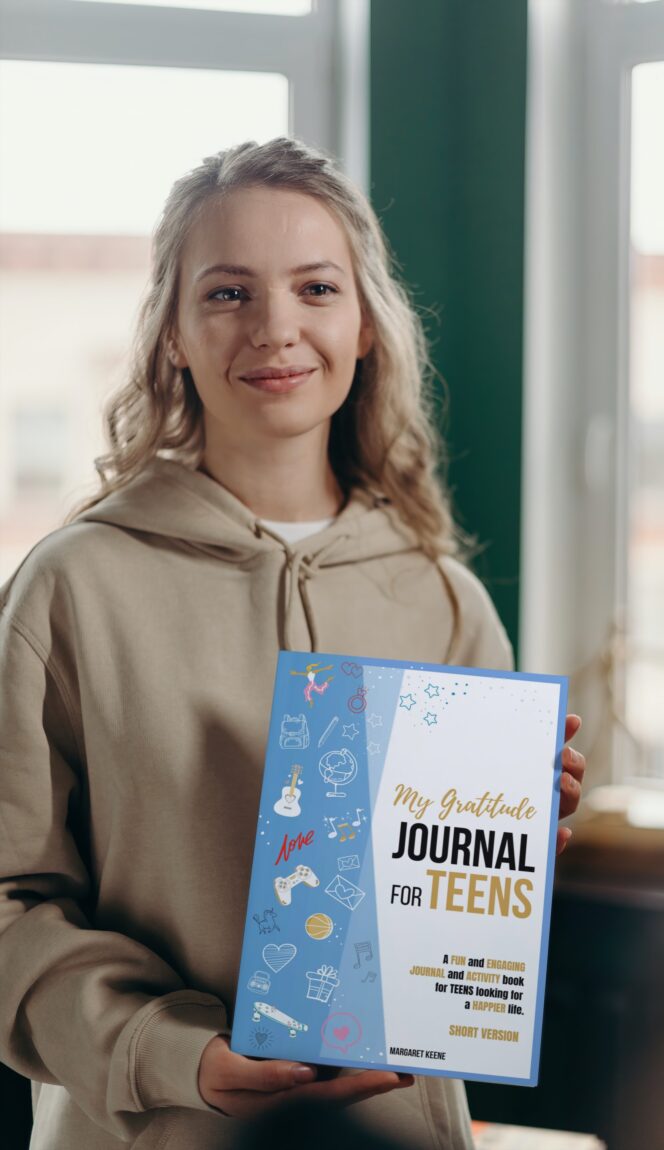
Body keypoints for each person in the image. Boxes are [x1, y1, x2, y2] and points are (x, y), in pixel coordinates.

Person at [0, 137, 586, 1150]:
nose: (277, 327)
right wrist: (173, 1050)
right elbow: (9, 905)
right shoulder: (71, 587)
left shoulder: (443, 600)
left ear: (364, 327)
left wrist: (511, 843)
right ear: (173, 336)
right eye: (228, 293)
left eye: (316, 287)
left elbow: (456, 941)